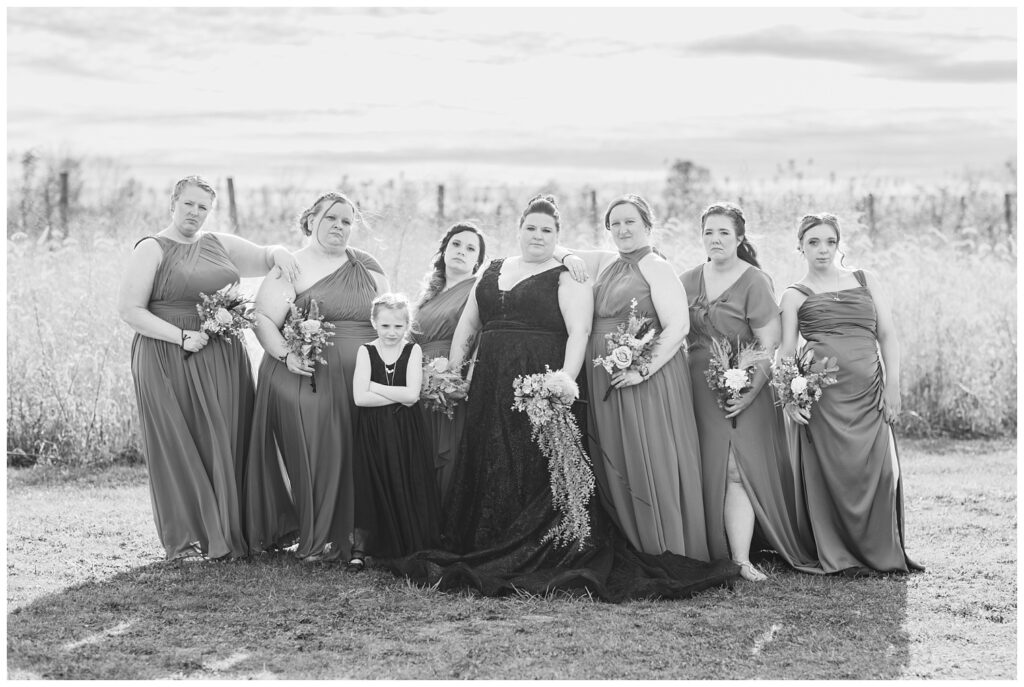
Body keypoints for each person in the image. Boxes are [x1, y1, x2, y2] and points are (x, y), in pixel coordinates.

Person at [388, 194, 739, 601]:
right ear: (517, 230)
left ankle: (541, 541)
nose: (537, 235)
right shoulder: (495, 267)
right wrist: (455, 371)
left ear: (558, 236)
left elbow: (580, 332)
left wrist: (564, 380)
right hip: (489, 382)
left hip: (542, 378)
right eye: (531, 228)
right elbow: (469, 324)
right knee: (488, 456)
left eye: (547, 230)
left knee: (535, 462)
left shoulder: (571, 273)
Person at [117, 175, 300, 561]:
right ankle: (196, 533)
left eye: (203, 207)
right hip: (169, 356)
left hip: (223, 358)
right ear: (173, 203)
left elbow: (267, 255)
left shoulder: (219, 244)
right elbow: (130, 310)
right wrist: (180, 337)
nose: (195, 213)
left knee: (229, 437)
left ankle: (238, 529)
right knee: (184, 441)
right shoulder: (152, 248)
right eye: (189, 204)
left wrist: (282, 251)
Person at [554, 194, 708, 559]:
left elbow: (678, 326)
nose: (622, 229)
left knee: (650, 455)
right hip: (609, 379)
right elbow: (549, 245)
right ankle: (634, 543)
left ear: (648, 226)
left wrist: (642, 369)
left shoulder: (654, 264)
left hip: (647, 380)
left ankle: (665, 546)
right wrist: (568, 257)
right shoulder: (609, 265)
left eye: (630, 222)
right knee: (619, 458)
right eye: (615, 223)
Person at [244, 191, 388, 563]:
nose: (339, 227)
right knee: (320, 450)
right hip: (305, 373)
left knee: (362, 451)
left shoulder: (368, 265)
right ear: (311, 221)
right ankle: (320, 536)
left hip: (363, 377)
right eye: (331, 219)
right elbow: (262, 319)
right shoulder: (292, 265)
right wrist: (286, 354)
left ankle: (359, 537)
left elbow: (388, 319)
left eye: (346, 221)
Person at [680, 202, 819, 580]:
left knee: (736, 470)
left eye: (724, 232)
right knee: (706, 468)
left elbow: (767, 343)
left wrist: (749, 388)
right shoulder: (688, 279)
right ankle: (710, 547)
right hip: (696, 389)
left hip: (742, 386)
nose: (716, 239)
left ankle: (741, 559)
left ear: (740, 238)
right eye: (709, 232)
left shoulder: (755, 280)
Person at [778, 213, 923, 574]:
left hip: (870, 391)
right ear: (801, 247)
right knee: (834, 473)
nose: (822, 249)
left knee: (877, 469)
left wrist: (893, 384)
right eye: (813, 242)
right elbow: (784, 351)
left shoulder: (864, 279)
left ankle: (879, 549)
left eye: (829, 241)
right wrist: (789, 396)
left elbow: (887, 335)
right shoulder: (794, 294)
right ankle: (839, 552)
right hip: (823, 400)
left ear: (839, 243)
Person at [349, 294, 442, 571]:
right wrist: (394, 394)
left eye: (398, 327)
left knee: (406, 477)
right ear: (374, 323)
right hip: (373, 429)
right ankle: (363, 548)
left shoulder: (412, 351)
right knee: (372, 481)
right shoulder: (366, 351)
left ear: (407, 326)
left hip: (405, 429)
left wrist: (374, 386)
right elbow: (359, 399)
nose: (392, 333)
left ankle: (409, 543)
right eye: (386, 326)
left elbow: (412, 396)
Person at [410, 222, 486, 500]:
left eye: (470, 248)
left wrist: (461, 380)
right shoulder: (429, 293)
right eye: (456, 244)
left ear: (477, 261)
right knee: (421, 450)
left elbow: (479, 339)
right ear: (443, 250)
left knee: (449, 449)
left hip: (450, 379)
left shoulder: (477, 291)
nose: (461, 251)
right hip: (418, 379)